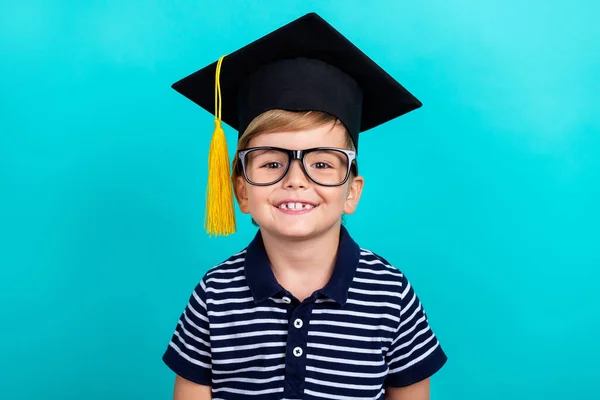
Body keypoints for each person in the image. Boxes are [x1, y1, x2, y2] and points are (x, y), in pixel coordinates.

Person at [162, 12, 447, 400]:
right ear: (242, 191)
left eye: (322, 163)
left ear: (351, 192)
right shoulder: (215, 295)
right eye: (272, 163)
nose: (295, 179)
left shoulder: (390, 294)